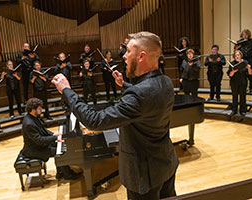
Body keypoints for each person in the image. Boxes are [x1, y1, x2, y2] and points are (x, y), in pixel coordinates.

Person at [52, 31, 178, 200]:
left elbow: (94, 121)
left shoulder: (138, 95)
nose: (124, 56)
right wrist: (124, 84)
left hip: (143, 175)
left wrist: (67, 90)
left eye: (128, 51)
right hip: (166, 163)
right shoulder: (166, 82)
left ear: (141, 56)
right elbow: (148, 97)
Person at [21, 98, 82, 180]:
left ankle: (60, 172)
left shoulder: (33, 117)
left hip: (39, 145)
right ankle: (68, 174)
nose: (41, 110)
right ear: (33, 109)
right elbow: (39, 140)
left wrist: (53, 134)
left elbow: (43, 130)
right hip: (35, 150)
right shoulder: (29, 124)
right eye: (39, 108)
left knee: (61, 146)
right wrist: (56, 137)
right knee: (60, 152)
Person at [227, 50, 252, 117]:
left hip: (243, 82)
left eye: (238, 55)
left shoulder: (245, 62)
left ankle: (243, 110)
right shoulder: (232, 63)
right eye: (235, 55)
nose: (237, 56)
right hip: (234, 82)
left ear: (241, 55)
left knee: (243, 96)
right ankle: (234, 110)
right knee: (234, 96)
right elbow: (230, 75)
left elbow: (250, 73)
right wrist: (233, 71)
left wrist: (249, 68)